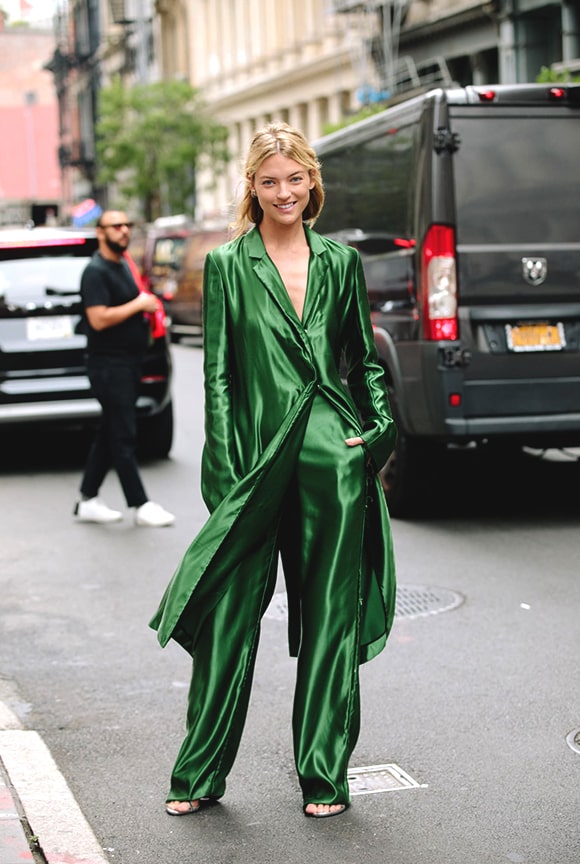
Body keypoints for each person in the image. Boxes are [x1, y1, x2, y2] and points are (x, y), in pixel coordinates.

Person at [150, 123, 396, 817]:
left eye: (295, 179)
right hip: (254, 462)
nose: (284, 192)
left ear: (312, 182)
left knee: (330, 622)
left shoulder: (341, 263)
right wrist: (225, 472)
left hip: (333, 458)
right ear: (252, 188)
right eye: (270, 181)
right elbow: (219, 378)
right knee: (229, 617)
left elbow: (364, 363)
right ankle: (198, 774)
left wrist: (376, 432)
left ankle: (324, 775)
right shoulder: (229, 265)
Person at [74, 211, 175, 528]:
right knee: (123, 435)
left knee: (110, 431)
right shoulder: (95, 271)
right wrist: (139, 305)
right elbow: (98, 319)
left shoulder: (122, 266)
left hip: (129, 363)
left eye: (127, 226)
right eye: (116, 227)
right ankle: (140, 504)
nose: (123, 231)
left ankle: (87, 498)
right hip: (109, 365)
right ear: (100, 233)